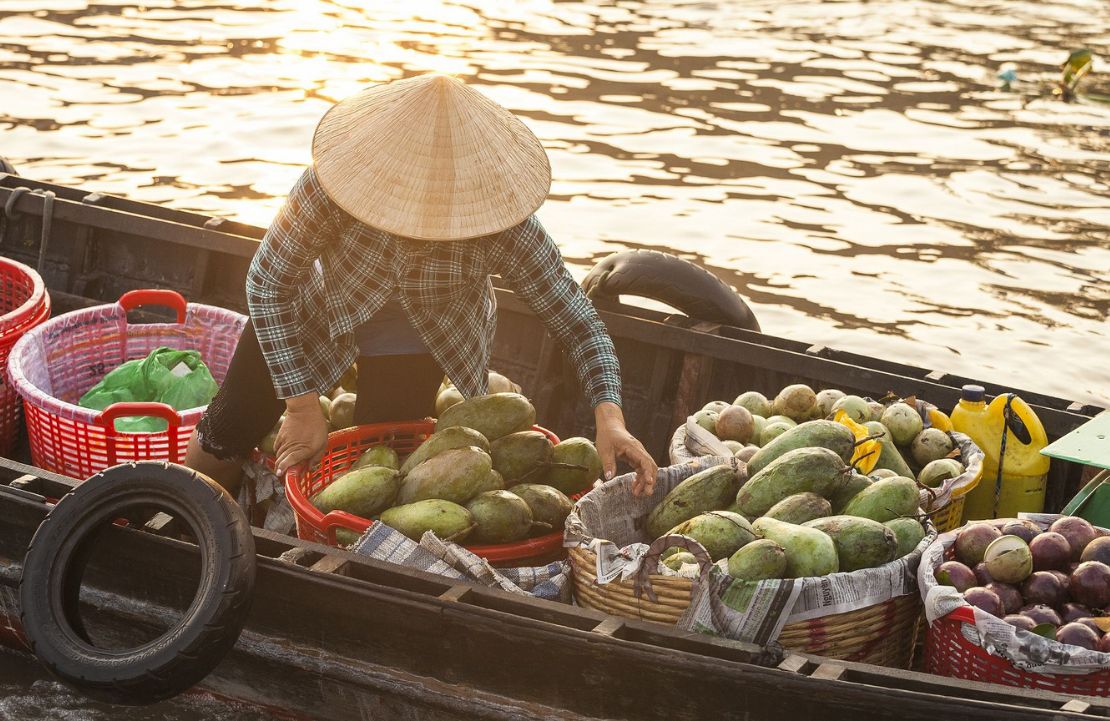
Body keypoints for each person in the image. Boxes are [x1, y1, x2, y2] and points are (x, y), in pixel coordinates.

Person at [185, 73, 658, 496]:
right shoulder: (330, 185)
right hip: (318, 311)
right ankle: (184, 519)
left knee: (376, 470)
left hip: (422, 337)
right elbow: (268, 282)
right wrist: (302, 405)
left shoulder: (505, 226)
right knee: (227, 427)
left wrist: (609, 418)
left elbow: (580, 325)